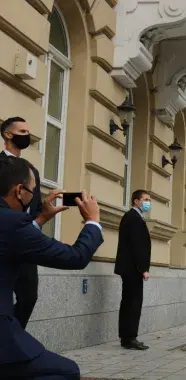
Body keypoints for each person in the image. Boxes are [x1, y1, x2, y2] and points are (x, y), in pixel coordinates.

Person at [0, 156, 103, 378]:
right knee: (66, 372)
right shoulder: (14, 223)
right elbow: (75, 257)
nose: (34, 196)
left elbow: (9, 243)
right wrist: (93, 221)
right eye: (32, 190)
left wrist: (40, 219)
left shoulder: (14, 226)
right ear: (19, 190)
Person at [0, 117, 43, 329]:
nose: (27, 135)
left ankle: (12, 340)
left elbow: (36, 207)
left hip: (26, 239)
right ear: (8, 134)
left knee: (29, 297)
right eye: (23, 131)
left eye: (28, 131)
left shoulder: (31, 170)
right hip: (3, 238)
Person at [115, 190, 152, 350]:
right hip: (133, 269)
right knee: (133, 303)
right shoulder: (133, 218)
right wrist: (143, 269)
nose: (148, 202)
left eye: (149, 200)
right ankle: (129, 337)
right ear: (136, 201)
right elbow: (137, 247)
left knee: (129, 302)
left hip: (130, 268)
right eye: (145, 199)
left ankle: (127, 337)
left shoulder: (134, 217)